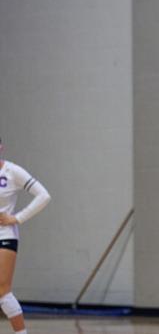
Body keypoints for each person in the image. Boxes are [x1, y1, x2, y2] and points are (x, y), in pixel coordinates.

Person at [0, 138, 52, 334]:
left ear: (1, 147)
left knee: (2, 291)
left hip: (4, 235)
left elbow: (43, 196)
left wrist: (17, 218)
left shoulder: (12, 171)